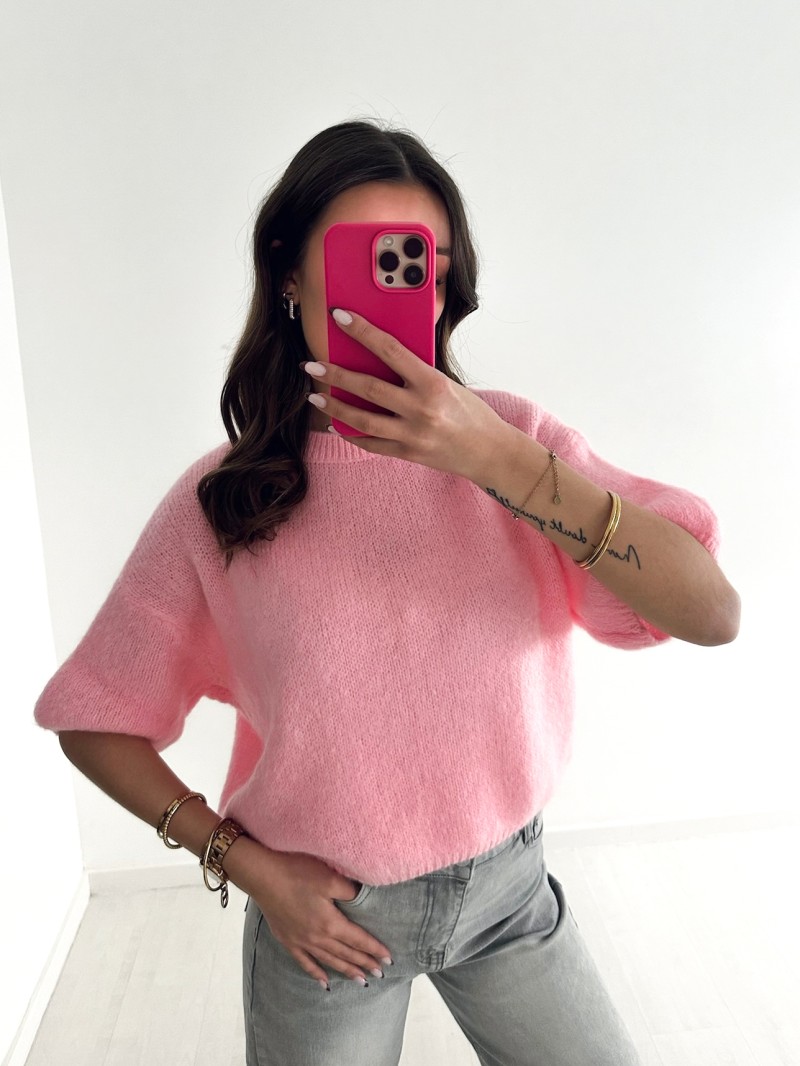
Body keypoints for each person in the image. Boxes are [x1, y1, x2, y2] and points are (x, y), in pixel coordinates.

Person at [34, 119, 740, 1066]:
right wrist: (245, 867)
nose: (403, 290)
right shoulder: (225, 502)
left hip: (510, 899)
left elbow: (711, 613)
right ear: (289, 274)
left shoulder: (518, 445)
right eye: (366, 261)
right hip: (325, 927)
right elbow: (93, 719)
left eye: (423, 269)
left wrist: (499, 462)